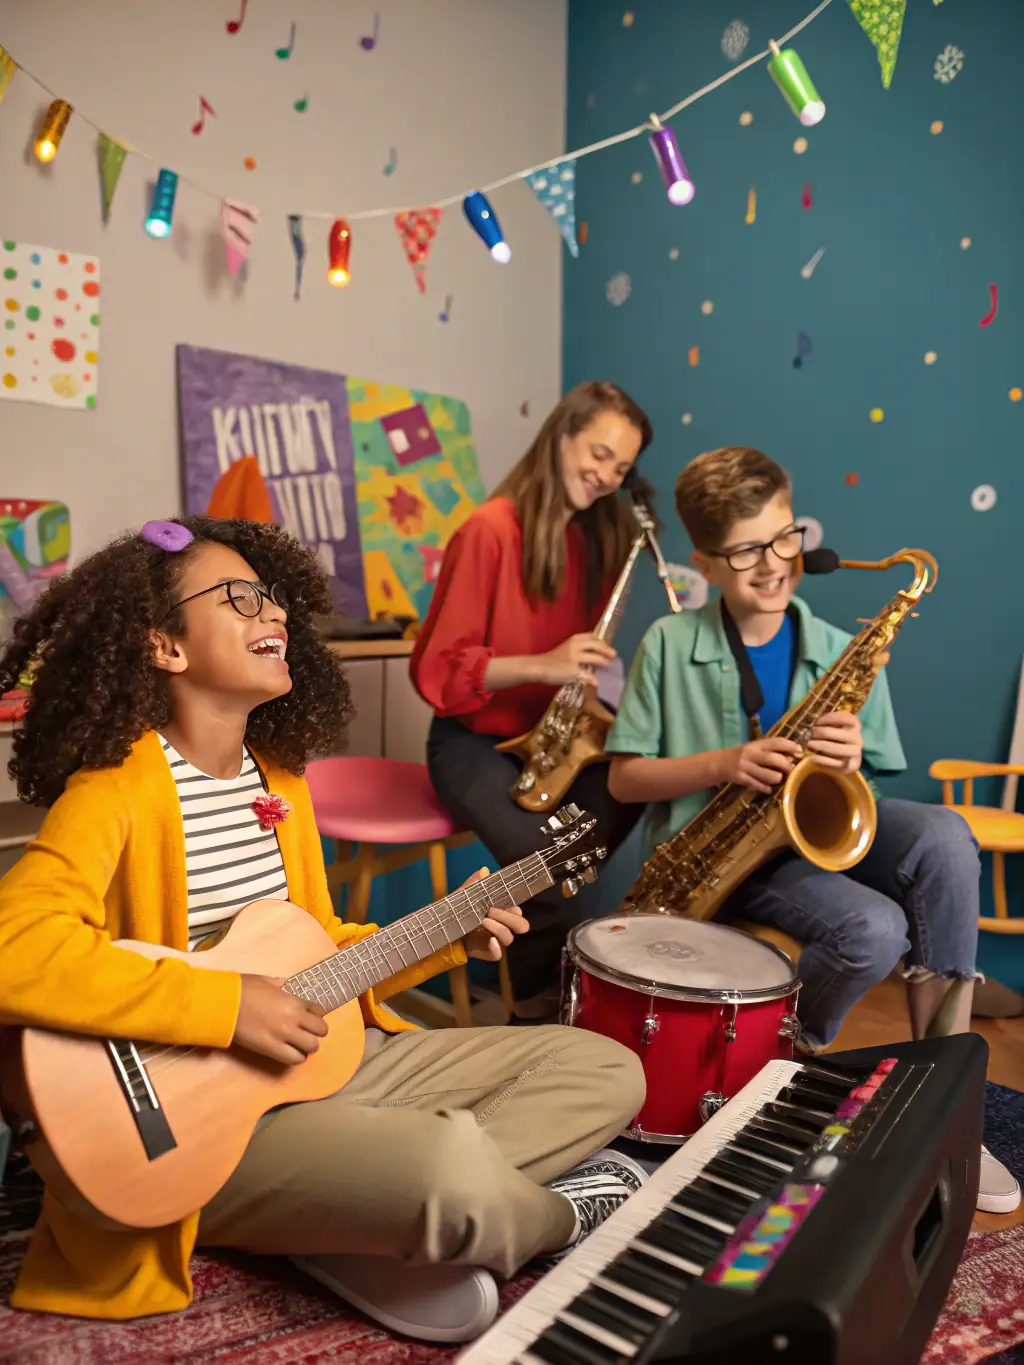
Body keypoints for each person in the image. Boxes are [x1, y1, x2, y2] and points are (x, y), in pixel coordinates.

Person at [0, 516, 648, 1341]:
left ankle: (354, 1216)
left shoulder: (282, 781)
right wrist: (227, 1006)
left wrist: (452, 933)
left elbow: (312, 953)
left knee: (604, 1067)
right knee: (447, 1168)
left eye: (272, 596)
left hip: (333, 1065)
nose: (273, 613)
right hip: (207, 1133)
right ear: (165, 645)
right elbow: (13, 948)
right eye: (240, 597)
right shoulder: (114, 791)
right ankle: (541, 1216)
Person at [606, 445, 1020, 1215]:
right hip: (720, 852)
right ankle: (787, 1065)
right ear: (706, 561)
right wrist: (724, 763)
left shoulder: (837, 643)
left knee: (944, 834)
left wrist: (852, 753)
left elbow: (873, 779)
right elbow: (624, 776)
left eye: (784, 537)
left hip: (812, 828)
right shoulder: (667, 641)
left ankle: (945, 1091)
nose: (773, 564)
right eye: (745, 550)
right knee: (871, 928)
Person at [411, 381, 651, 1023]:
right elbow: (437, 668)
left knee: (635, 785)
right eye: (597, 454)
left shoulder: (594, 537)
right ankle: (529, 1017)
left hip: (551, 743)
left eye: (621, 468)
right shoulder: (487, 531)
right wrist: (544, 665)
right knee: (556, 877)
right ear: (559, 437)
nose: (605, 476)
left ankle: (540, 1001)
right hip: (472, 744)